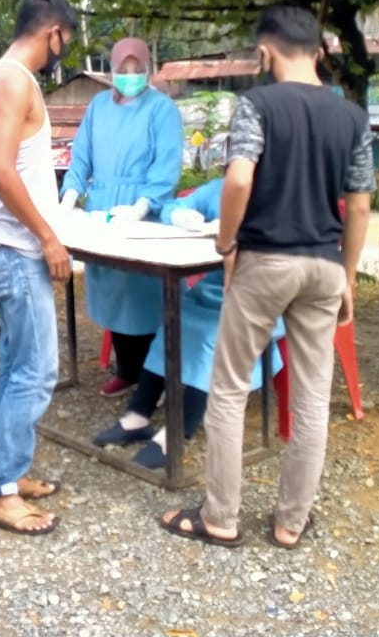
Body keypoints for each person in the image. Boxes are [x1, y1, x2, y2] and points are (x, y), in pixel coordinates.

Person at [160, 5, 373, 549]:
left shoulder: (257, 104)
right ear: (319, 50)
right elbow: (361, 204)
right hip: (324, 266)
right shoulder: (349, 115)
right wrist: (346, 275)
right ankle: (290, 523)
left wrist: (226, 241)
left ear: (265, 51)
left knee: (229, 390)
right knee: (311, 398)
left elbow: (237, 181)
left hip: (265, 262)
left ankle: (222, 518)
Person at [0, 0, 78, 537]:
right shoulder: (13, 80)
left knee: (16, 367)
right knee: (38, 372)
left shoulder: (2, 75)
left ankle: (7, 472)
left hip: (7, 246)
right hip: (14, 250)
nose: (65, 51)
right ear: (52, 33)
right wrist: (48, 238)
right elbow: (2, 173)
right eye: (67, 40)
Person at [91, 177, 285, 469]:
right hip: (213, 287)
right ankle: (138, 415)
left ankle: (177, 432)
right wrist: (182, 216)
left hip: (257, 294)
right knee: (171, 323)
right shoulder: (220, 187)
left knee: (209, 336)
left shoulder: (282, 189)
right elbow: (173, 206)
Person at [59, 37, 182, 396]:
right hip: (102, 210)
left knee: (141, 295)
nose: (129, 76)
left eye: (136, 70)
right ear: (111, 70)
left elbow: (167, 166)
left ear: (147, 69)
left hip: (142, 211)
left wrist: (142, 206)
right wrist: (69, 196)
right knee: (110, 292)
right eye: (122, 70)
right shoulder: (98, 105)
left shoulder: (161, 109)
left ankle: (151, 379)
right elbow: (81, 156)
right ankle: (126, 369)